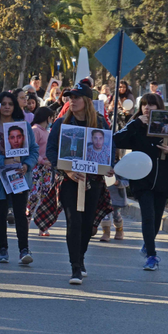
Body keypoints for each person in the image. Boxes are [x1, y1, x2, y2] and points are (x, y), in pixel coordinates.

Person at [46, 81, 113, 285]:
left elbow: (109, 149)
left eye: (76, 97)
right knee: (73, 222)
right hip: (69, 180)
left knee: (87, 224)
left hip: (93, 181)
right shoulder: (61, 123)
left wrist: (108, 165)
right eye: (70, 97)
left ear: (86, 100)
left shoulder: (100, 123)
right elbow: (50, 151)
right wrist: (66, 170)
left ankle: (81, 257)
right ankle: (75, 267)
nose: (71, 101)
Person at [114, 93, 168, 271]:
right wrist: (136, 123)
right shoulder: (136, 125)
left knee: (157, 218)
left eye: (151, 105)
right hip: (142, 181)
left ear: (158, 107)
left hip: (163, 180)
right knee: (148, 216)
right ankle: (152, 256)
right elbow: (116, 140)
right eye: (144, 104)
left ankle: (148, 243)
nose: (147, 108)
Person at [0, 91, 39, 266]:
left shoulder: (23, 126)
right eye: (3, 104)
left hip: (19, 175)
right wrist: (3, 160)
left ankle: (24, 249)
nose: (7, 107)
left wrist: (27, 165)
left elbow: (33, 150)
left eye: (10, 103)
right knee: (0, 213)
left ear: (15, 106)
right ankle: (3, 249)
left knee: (19, 213)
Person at [27, 106, 54, 236]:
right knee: (33, 196)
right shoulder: (35, 130)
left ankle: (43, 226)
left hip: (47, 169)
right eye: (51, 117)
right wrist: (42, 161)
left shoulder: (47, 132)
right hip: (36, 168)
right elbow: (32, 150)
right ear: (47, 118)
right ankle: (26, 221)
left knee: (46, 196)